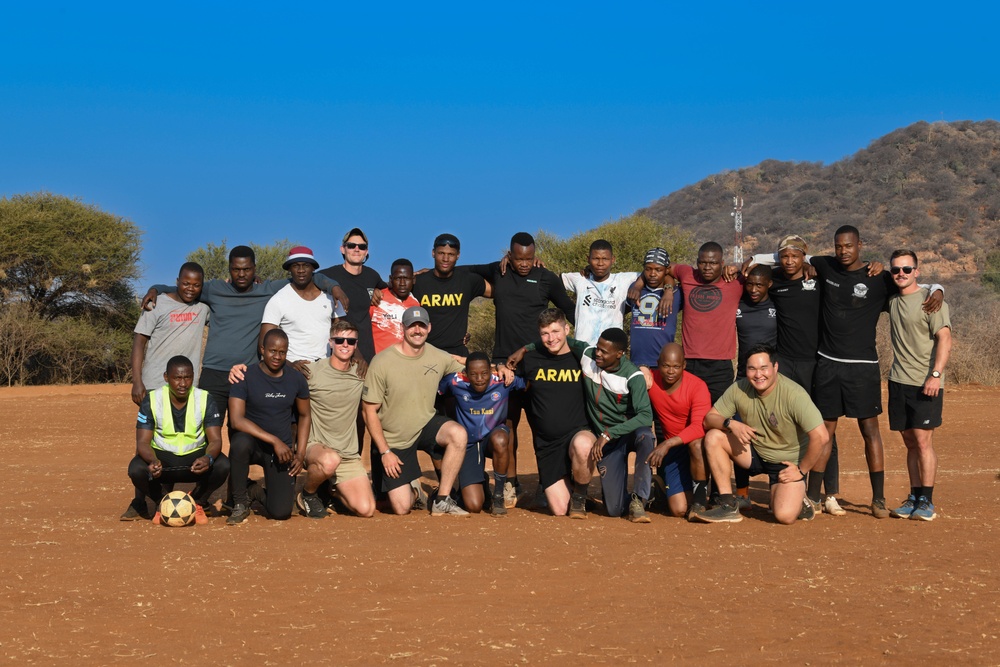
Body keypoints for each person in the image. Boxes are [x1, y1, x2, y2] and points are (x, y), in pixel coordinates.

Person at [806, 225, 942, 518]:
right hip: (827, 364)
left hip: (863, 369)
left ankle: (878, 499)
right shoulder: (823, 265)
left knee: (870, 432)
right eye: (838, 246)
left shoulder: (879, 278)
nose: (843, 251)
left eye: (848, 246)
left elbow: (914, 285)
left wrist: (939, 288)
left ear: (860, 246)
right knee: (825, 432)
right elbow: (788, 258)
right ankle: (813, 496)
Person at [142, 245, 343, 430]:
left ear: (254, 268)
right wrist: (156, 289)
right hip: (214, 373)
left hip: (248, 374)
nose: (241, 274)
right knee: (207, 429)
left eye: (246, 269)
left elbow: (306, 277)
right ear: (229, 268)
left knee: (242, 433)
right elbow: (183, 287)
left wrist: (334, 287)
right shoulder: (214, 289)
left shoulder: (268, 290)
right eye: (236, 269)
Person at [467, 232, 577, 507]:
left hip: (539, 362)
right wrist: (427, 272)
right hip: (505, 363)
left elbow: (570, 310)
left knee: (543, 425)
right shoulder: (498, 270)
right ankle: (510, 484)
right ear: (509, 256)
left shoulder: (545, 277)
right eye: (519, 259)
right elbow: (465, 271)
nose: (525, 264)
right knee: (508, 424)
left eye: (529, 258)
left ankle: (546, 482)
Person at [691, 344, 830, 525]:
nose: (758, 375)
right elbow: (709, 419)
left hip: (786, 463)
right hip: (755, 451)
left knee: (784, 516)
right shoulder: (739, 388)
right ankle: (727, 505)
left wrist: (801, 470)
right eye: (752, 369)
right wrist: (730, 423)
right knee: (713, 437)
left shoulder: (794, 394)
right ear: (745, 370)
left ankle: (795, 496)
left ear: (775, 367)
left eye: (764, 368)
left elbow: (821, 436)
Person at [362, 306, 470, 516]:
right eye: (412, 326)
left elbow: (470, 367)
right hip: (395, 439)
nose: (417, 330)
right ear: (403, 328)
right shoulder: (382, 362)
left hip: (425, 425)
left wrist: (498, 367)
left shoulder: (438, 355)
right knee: (402, 508)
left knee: (458, 434)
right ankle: (416, 490)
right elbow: (368, 411)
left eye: (422, 326)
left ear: (429, 328)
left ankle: (442, 499)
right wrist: (385, 452)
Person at [504, 308, 598, 518]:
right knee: (558, 510)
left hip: (578, 432)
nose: (551, 338)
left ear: (566, 329)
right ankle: (571, 487)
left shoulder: (582, 359)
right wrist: (503, 369)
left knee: (583, 446)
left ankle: (580, 498)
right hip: (548, 444)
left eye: (555, 331)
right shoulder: (530, 359)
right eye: (545, 333)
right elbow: (509, 374)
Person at [121, 355, 229, 524]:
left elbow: (215, 440)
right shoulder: (152, 399)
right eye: (177, 378)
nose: (183, 384)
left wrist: (207, 458)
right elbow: (142, 442)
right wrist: (153, 461)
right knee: (136, 468)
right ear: (166, 377)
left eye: (187, 378)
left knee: (223, 465)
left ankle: (197, 502)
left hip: (194, 461)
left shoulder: (205, 398)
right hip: (163, 461)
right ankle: (163, 503)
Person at [886, 250, 952, 522]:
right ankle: (913, 496)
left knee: (924, 441)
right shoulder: (890, 300)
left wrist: (935, 374)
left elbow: (945, 339)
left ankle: (927, 500)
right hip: (898, 380)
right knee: (909, 441)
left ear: (917, 270)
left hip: (926, 382)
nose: (901, 274)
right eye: (896, 270)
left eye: (907, 269)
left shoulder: (931, 301)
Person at [226, 329, 311, 525]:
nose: (277, 356)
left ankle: (254, 490)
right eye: (272, 351)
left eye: (282, 352)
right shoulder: (245, 376)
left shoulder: (296, 379)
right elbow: (236, 420)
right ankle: (239, 503)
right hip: (254, 445)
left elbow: (305, 415)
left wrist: (300, 453)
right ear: (262, 349)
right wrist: (274, 440)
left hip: (281, 451)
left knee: (281, 512)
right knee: (239, 442)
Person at [298, 320, 376, 519]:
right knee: (330, 460)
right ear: (330, 342)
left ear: (356, 345)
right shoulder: (311, 372)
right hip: (316, 447)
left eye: (350, 341)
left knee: (366, 509)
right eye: (339, 340)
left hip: (348, 454)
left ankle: (333, 490)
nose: (345, 345)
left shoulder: (361, 374)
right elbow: (278, 378)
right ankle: (307, 494)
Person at [439, 351, 525, 516]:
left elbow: (529, 384)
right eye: (474, 374)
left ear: (491, 371)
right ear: (465, 373)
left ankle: (498, 496)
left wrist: (501, 366)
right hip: (468, 444)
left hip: (492, 439)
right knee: (474, 505)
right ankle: (482, 482)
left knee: (501, 439)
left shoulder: (502, 380)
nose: (479, 378)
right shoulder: (454, 382)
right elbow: (437, 393)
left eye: (484, 373)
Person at [645, 343, 712, 519]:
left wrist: (667, 443)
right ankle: (662, 487)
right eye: (666, 366)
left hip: (695, 447)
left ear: (684, 365)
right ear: (658, 364)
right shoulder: (651, 380)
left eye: (676, 366)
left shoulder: (697, 386)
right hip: (674, 452)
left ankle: (700, 502)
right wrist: (642, 368)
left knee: (697, 445)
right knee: (679, 510)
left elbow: (699, 427)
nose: (670, 371)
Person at [130, 262, 210, 406]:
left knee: (184, 428)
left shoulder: (203, 308)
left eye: (196, 285)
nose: (190, 289)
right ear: (177, 281)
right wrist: (136, 381)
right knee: (153, 428)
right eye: (186, 283)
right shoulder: (155, 304)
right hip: (154, 384)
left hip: (187, 387)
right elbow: (139, 342)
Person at [261, 246, 344, 365]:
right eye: (295, 266)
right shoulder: (278, 300)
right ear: (290, 269)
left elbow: (344, 333)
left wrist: (358, 358)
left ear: (313, 268)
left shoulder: (331, 297)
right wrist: (290, 365)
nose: (301, 270)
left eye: (306, 265)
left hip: (325, 368)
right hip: (291, 370)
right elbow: (264, 345)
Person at [412, 233, 489, 358]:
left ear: (458, 255)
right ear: (433, 253)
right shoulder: (418, 282)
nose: (445, 259)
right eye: (441, 253)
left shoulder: (468, 281)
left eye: (451, 254)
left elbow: (502, 292)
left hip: (457, 357)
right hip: (425, 354)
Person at [318, 228, 386, 364]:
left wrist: (418, 276)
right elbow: (306, 279)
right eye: (351, 245)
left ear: (366, 251)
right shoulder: (329, 275)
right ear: (342, 249)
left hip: (366, 353)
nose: (356, 249)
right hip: (339, 352)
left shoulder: (372, 276)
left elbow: (394, 287)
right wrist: (334, 287)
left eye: (362, 247)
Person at [560, 239, 639, 345]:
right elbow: (550, 280)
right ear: (588, 259)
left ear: (613, 259)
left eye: (605, 259)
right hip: (582, 352)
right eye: (595, 259)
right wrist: (535, 260)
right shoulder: (580, 279)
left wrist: (639, 286)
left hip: (612, 353)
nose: (600, 263)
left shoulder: (622, 280)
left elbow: (653, 272)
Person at [627, 247, 682, 380]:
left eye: (658, 270)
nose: (652, 274)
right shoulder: (634, 290)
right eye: (648, 269)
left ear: (666, 270)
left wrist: (668, 289)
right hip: (635, 362)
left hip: (664, 364)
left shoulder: (677, 294)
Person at [735, 264, 777, 378]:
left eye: (759, 285)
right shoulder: (738, 304)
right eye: (749, 284)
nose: (753, 290)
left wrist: (756, 258)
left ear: (769, 284)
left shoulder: (778, 303)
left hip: (770, 374)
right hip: (744, 373)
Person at [370, 259, 420, 354]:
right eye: (398, 278)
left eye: (406, 278)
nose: (402, 283)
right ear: (391, 279)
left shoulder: (416, 305)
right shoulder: (377, 299)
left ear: (413, 280)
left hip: (407, 363)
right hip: (379, 363)